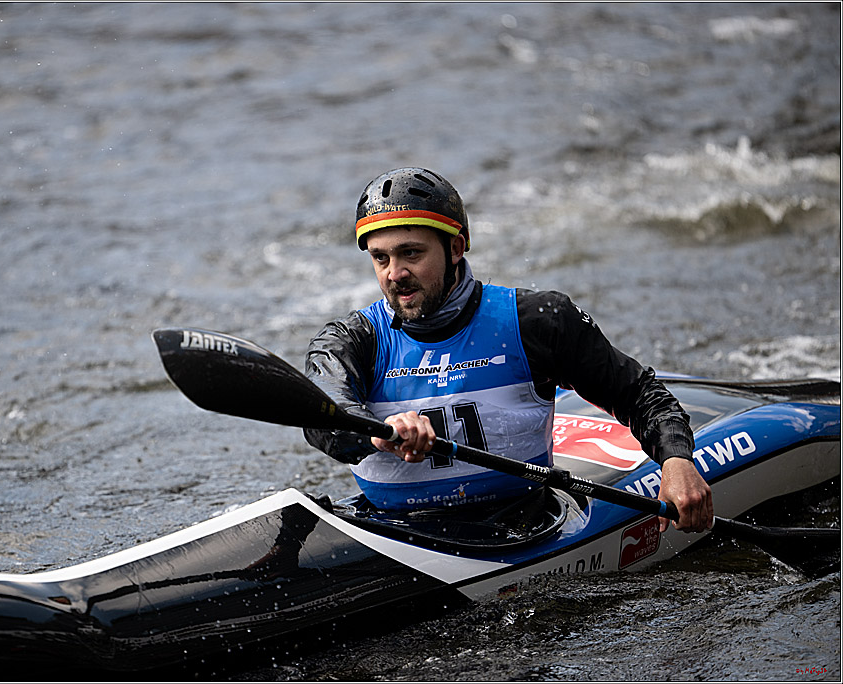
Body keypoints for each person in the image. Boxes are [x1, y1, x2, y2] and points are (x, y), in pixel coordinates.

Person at [303, 167, 714, 533]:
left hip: (524, 522)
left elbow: (637, 394)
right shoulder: (351, 339)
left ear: (456, 247)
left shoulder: (536, 320)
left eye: (411, 253)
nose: (396, 274)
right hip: (395, 530)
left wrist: (676, 460)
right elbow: (320, 416)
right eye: (381, 258)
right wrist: (379, 433)